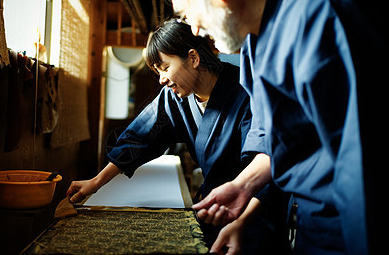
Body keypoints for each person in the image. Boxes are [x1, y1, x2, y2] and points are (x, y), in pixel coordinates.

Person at [161, 0, 389, 254]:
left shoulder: (323, 11)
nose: (194, 30)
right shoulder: (254, 43)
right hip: (313, 221)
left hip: (359, 221)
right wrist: (245, 184)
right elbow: (278, 137)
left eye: (187, 14)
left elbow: (365, 157)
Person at [67, 19, 290, 253]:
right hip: (214, 209)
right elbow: (138, 138)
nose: (162, 78)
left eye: (165, 67)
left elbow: (268, 163)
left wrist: (241, 222)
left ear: (193, 58)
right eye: (157, 72)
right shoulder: (175, 97)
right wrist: (96, 182)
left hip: (255, 212)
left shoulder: (246, 89)